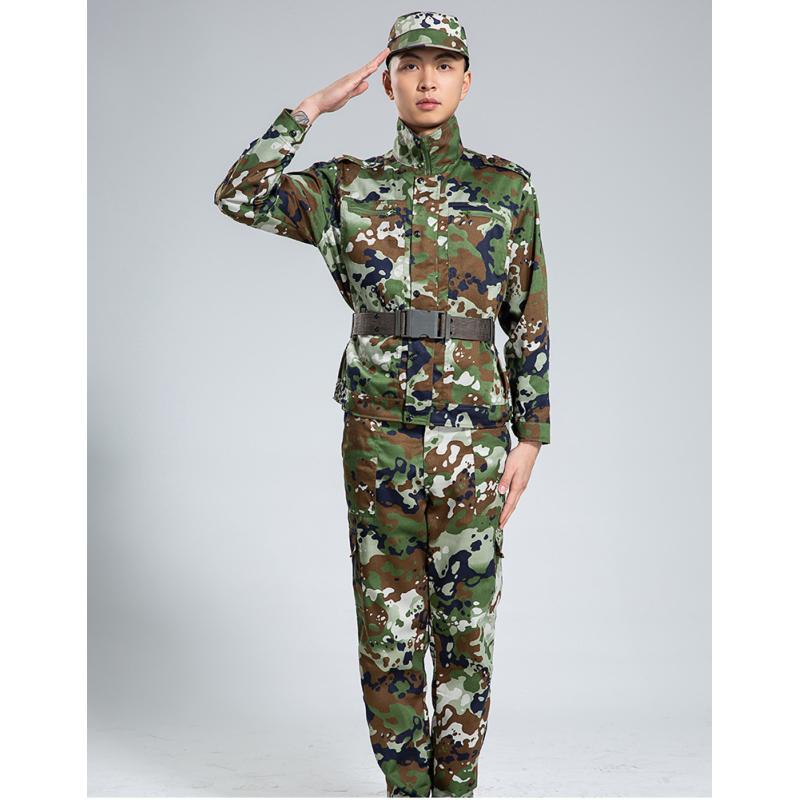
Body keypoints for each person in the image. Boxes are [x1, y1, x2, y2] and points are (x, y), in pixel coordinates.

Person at [213, 10, 551, 797]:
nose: (428, 79)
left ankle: (455, 789)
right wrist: (310, 109)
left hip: (475, 436)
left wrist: (531, 435)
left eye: (444, 64)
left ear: (467, 80)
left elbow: (529, 314)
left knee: (468, 627)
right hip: (378, 435)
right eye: (410, 65)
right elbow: (238, 194)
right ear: (388, 81)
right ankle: (406, 790)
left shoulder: (507, 188)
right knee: (388, 628)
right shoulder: (345, 188)